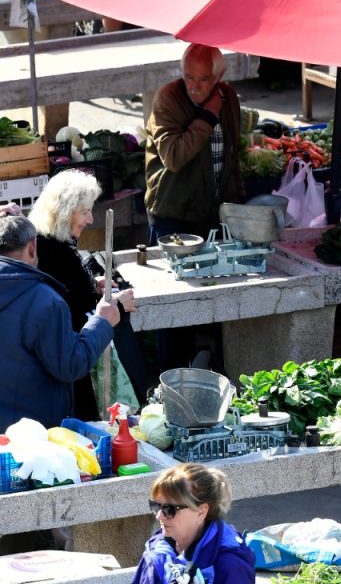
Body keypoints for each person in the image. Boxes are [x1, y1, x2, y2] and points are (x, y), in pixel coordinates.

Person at [29, 170, 146, 420]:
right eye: (85, 212)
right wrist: (120, 304)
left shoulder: (48, 242)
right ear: (64, 212)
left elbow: (71, 290)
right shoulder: (54, 251)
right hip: (70, 366)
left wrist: (92, 285)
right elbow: (73, 306)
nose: (91, 219)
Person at [0, 208, 118, 430]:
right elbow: (70, 365)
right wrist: (102, 321)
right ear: (33, 246)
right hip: (36, 433)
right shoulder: (45, 301)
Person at [145, 43, 245, 243]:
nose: (194, 87)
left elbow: (232, 155)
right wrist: (208, 116)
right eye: (189, 77)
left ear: (218, 76)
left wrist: (238, 199)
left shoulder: (228, 96)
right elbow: (173, 158)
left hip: (216, 213)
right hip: (174, 213)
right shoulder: (167, 99)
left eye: (204, 79)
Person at [132, 463, 255, 584]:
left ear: (201, 512)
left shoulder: (230, 564)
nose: (159, 516)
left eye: (169, 509)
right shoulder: (157, 550)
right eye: (156, 506)